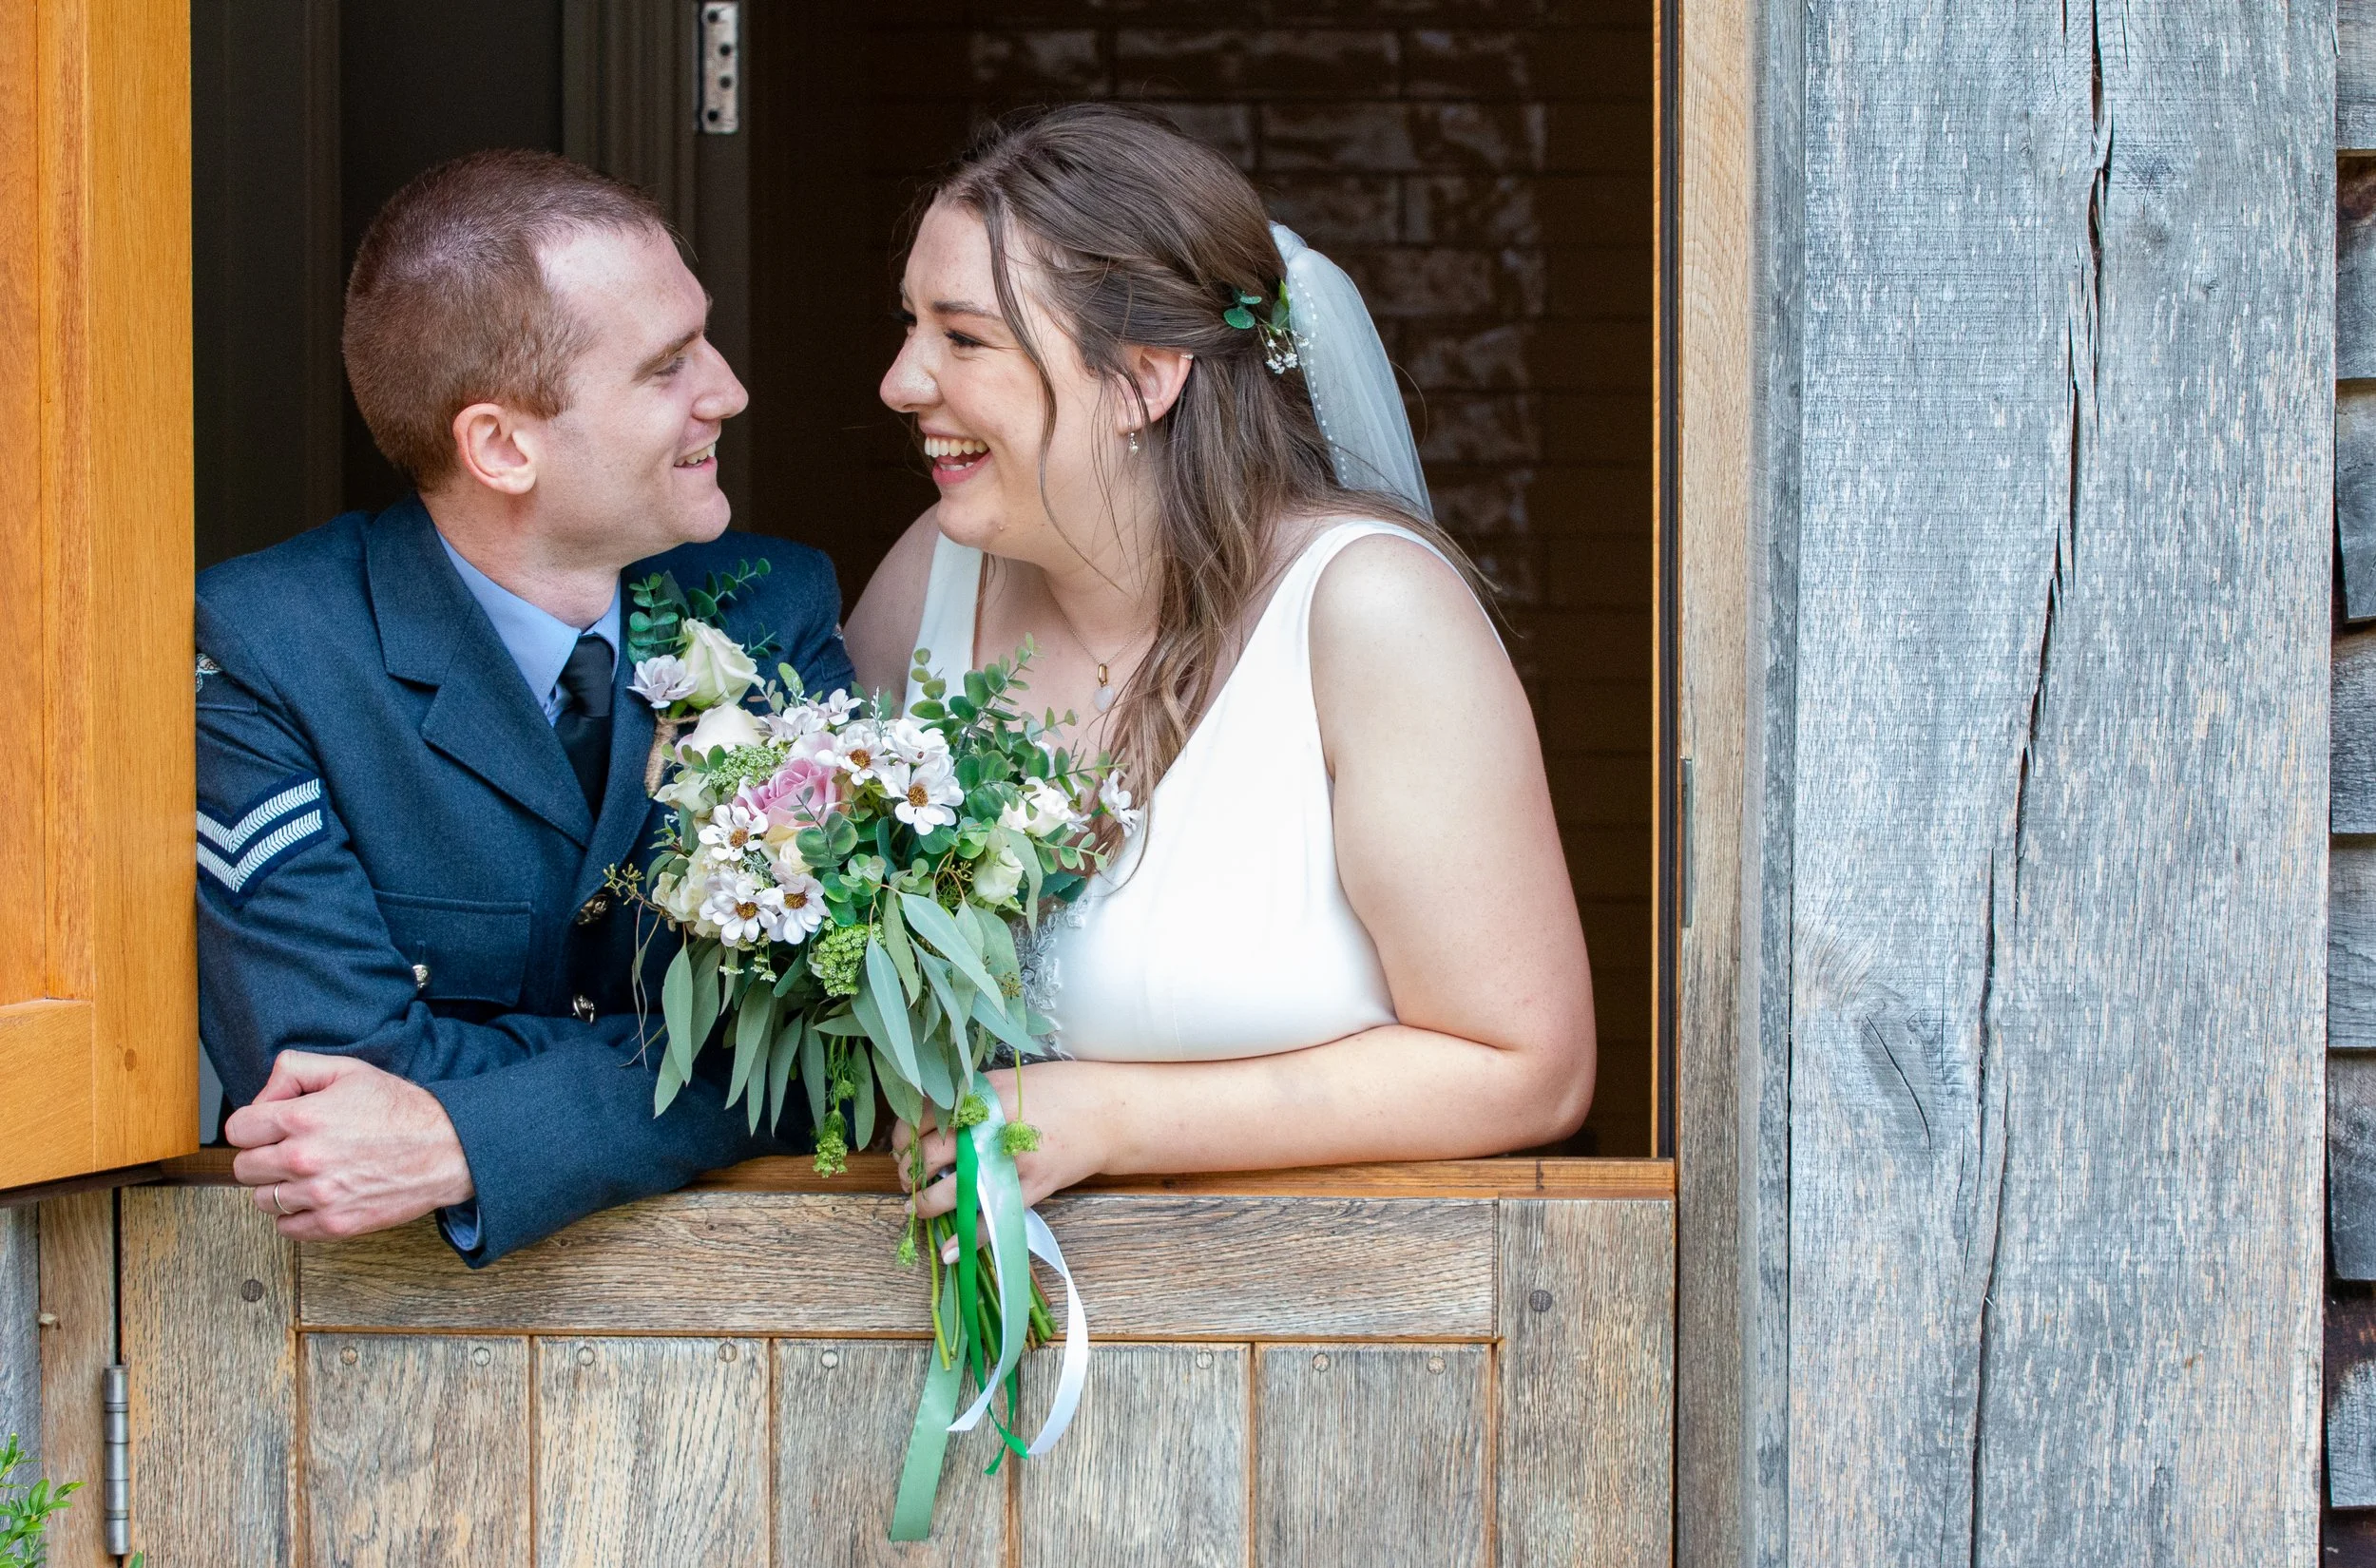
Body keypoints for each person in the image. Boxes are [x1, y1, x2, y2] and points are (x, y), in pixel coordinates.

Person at [844, 105, 1597, 1229]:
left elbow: (1529, 1065)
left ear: (1144, 379)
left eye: (964, 339)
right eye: (910, 326)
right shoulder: (929, 583)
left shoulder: (1367, 616)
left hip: (1300, 1334)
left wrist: (1110, 1118)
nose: (902, 382)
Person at [201, 150, 852, 1265]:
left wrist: (470, 1132)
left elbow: (825, 1051)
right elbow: (335, 1107)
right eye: (666, 366)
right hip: (386, 1345)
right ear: (501, 445)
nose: (728, 390)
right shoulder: (269, 649)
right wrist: (684, 1075)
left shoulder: (773, 609)